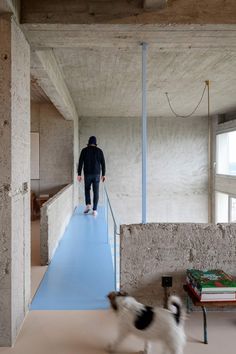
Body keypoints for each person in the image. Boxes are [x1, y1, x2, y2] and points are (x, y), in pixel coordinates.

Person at [77, 136, 106, 216]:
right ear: (95, 143)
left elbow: (80, 163)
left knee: (87, 189)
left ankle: (88, 205)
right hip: (96, 175)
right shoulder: (99, 151)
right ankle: (95, 210)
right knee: (96, 191)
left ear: (88, 143)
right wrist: (103, 174)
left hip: (87, 174)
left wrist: (79, 174)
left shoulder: (84, 150)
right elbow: (103, 164)